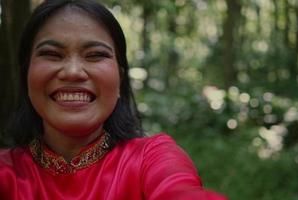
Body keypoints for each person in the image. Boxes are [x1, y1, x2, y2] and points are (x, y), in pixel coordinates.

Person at [0, 0, 227, 199]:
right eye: (51, 54)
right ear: (26, 74)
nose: (73, 71)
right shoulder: (6, 172)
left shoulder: (152, 159)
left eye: (96, 55)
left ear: (120, 79)